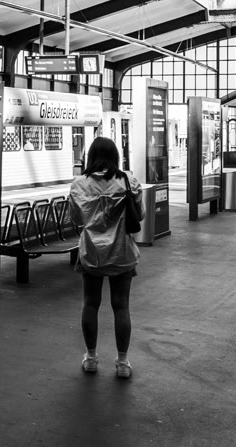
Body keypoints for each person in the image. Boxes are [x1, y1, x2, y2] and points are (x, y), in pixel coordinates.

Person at [69, 136, 140, 378]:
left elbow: (76, 219)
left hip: (92, 253)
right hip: (122, 252)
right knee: (121, 306)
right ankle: (122, 363)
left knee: (90, 303)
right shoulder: (128, 181)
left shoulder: (79, 185)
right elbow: (139, 214)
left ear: (90, 157)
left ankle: (91, 358)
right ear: (115, 157)